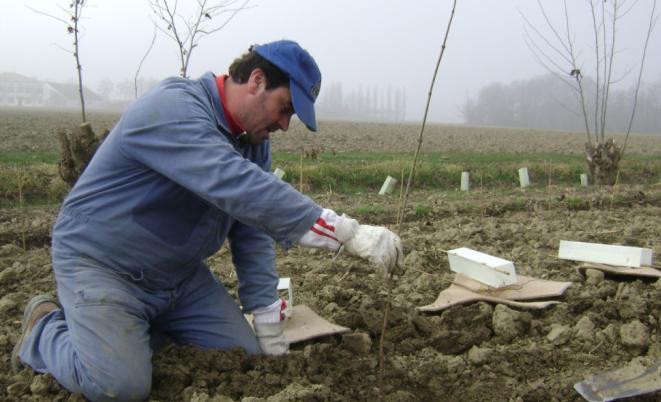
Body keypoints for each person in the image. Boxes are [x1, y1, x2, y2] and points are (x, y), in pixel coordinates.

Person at [11, 39, 402, 402]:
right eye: (285, 108)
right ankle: (43, 329)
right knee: (119, 386)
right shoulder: (175, 106)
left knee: (241, 356)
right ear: (256, 80)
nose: (285, 125)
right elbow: (234, 184)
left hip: (177, 278)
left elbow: (251, 230)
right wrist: (342, 230)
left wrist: (267, 319)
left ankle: (136, 331)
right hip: (105, 266)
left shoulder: (252, 144)